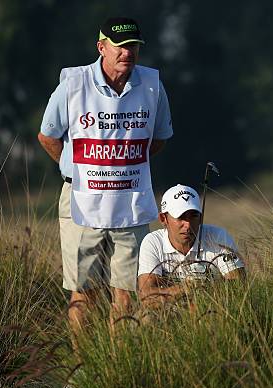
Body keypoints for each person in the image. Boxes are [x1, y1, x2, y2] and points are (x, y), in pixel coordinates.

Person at [37, 17, 173, 336]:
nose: (128, 52)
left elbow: (160, 138)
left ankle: (117, 373)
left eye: (133, 46)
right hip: (81, 203)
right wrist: (77, 170)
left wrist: (121, 168)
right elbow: (48, 136)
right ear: (102, 47)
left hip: (131, 202)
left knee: (127, 294)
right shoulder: (73, 84)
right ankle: (79, 379)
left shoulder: (152, 85)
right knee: (84, 294)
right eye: (120, 46)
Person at [138, 184, 245, 309]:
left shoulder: (219, 236)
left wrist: (203, 290)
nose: (188, 225)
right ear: (163, 219)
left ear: (200, 217)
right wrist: (185, 289)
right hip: (168, 312)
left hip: (212, 310)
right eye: (181, 217)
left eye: (193, 216)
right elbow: (146, 297)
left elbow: (239, 287)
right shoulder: (153, 242)